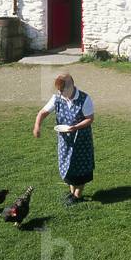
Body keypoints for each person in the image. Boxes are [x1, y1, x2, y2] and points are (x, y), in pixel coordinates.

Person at [33, 73, 95, 206]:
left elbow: (90, 118)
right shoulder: (57, 98)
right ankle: (72, 193)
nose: (60, 93)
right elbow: (42, 112)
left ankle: (77, 196)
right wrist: (37, 126)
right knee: (68, 166)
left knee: (81, 167)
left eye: (62, 90)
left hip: (81, 141)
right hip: (65, 142)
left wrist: (76, 127)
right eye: (59, 90)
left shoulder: (84, 98)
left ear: (71, 86)